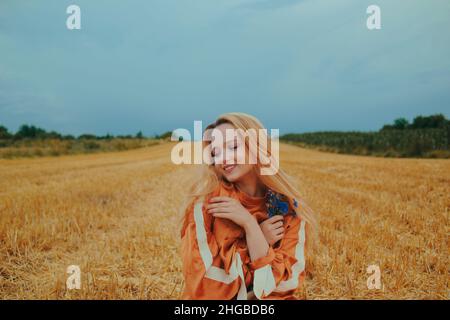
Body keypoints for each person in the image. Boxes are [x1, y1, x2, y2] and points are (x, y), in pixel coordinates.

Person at [179, 112, 317, 300]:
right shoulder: (208, 203)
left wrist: (250, 227)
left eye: (233, 146)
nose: (223, 159)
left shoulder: (288, 209)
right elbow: (204, 287)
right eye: (215, 153)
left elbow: (283, 287)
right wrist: (260, 242)